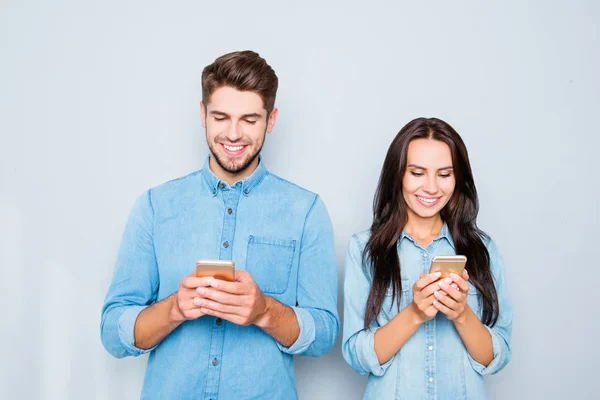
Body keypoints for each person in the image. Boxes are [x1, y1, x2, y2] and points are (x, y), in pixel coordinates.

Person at [101, 50, 339, 399]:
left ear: (271, 120)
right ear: (203, 115)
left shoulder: (305, 211)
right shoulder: (154, 207)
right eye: (221, 117)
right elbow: (112, 332)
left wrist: (264, 311)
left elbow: (325, 333)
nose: (233, 134)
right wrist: (175, 309)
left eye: (249, 119)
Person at [342, 117, 513, 399]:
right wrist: (415, 313)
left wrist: (461, 315)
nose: (432, 188)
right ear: (398, 175)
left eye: (444, 174)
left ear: (458, 179)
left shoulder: (482, 249)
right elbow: (357, 357)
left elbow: (496, 357)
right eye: (417, 173)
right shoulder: (364, 249)